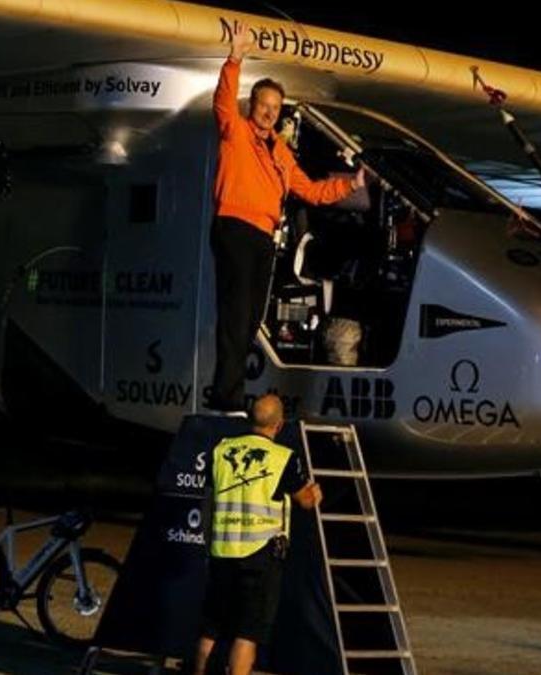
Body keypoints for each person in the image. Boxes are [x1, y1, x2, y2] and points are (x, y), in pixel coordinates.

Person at [208, 21, 365, 413]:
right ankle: (226, 397)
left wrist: (350, 184)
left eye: (276, 108)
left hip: (263, 235)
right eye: (263, 105)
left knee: (251, 321)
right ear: (252, 106)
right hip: (234, 228)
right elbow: (223, 101)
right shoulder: (237, 132)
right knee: (235, 314)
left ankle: (230, 391)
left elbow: (311, 190)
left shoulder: (280, 152)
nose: (269, 113)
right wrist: (235, 57)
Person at [194, 395, 323, 675]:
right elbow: (305, 500)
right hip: (259, 555)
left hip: (222, 550)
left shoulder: (222, 449)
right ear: (279, 425)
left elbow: (209, 495)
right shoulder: (282, 457)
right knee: (247, 632)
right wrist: (315, 493)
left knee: (211, 628)